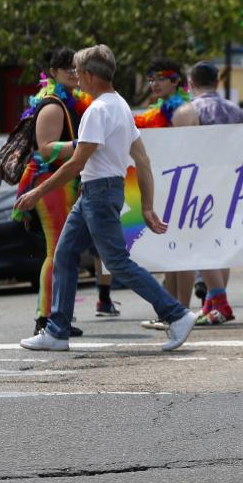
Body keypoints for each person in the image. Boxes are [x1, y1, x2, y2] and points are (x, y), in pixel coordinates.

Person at [17, 45, 195, 352]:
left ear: (88, 75)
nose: (76, 78)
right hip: (97, 192)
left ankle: (176, 314)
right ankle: (57, 331)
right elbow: (142, 160)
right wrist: (148, 207)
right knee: (64, 255)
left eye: (77, 72)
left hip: (98, 193)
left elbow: (76, 163)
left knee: (117, 263)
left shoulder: (98, 111)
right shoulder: (121, 106)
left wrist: (37, 191)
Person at [13, 48, 119, 338]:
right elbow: (46, 148)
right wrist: (82, 144)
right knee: (57, 251)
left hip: (64, 181)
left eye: (75, 67)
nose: (73, 72)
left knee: (64, 251)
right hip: (50, 181)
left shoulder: (69, 101)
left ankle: (58, 315)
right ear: (53, 72)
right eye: (65, 68)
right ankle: (45, 317)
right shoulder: (53, 105)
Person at [171, 61, 243, 326]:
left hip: (199, 186)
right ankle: (211, 305)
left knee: (197, 244)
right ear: (217, 82)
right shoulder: (236, 111)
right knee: (220, 246)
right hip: (231, 184)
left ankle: (221, 302)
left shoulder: (187, 111)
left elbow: (181, 155)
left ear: (190, 84)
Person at [135, 58, 194, 327]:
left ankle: (182, 310)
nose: (154, 83)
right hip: (164, 186)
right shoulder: (156, 111)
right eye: (151, 78)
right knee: (170, 250)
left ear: (175, 82)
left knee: (182, 251)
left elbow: (187, 152)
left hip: (183, 186)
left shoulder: (182, 111)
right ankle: (171, 311)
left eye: (160, 78)